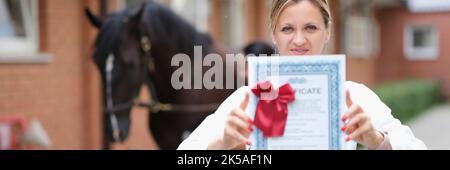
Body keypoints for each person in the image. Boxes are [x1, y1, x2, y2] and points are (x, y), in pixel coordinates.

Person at [177, 0, 427, 150]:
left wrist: (376, 140)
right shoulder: (247, 99)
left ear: (327, 32)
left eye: (311, 27)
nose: (299, 40)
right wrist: (222, 143)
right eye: (287, 29)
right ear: (273, 35)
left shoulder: (353, 96)